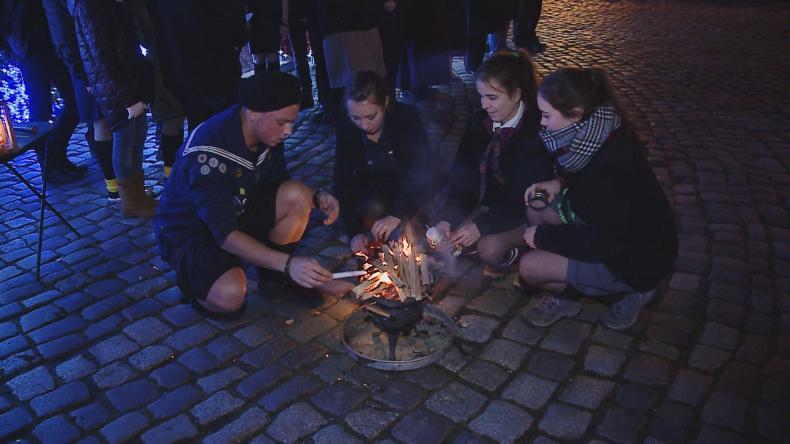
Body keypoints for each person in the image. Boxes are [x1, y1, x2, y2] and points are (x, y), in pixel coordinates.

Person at [154, 71, 350, 315]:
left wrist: (317, 196)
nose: (288, 131)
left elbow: (278, 182)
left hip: (237, 207)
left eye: (291, 121)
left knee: (298, 195)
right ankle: (195, 285)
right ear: (253, 113)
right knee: (230, 296)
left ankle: (273, 277)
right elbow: (223, 233)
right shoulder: (209, 155)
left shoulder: (265, 132)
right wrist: (290, 264)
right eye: (282, 122)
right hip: (193, 231)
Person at [520, 67, 677, 329]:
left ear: (576, 114)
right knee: (536, 209)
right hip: (610, 231)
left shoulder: (611, 167)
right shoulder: (596, 130)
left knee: (530, 268)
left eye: (547, 115)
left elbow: (605, 240)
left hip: (635, 257)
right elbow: (589, 188)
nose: (542, 123)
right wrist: (557, 182)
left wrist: (543, 238)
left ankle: (630, 293)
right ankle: (569, 293)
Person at [435, 49, 554, 275]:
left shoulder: (533, 131)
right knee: (443, 240)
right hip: (490, 206)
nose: (484, 105)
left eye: (492, 97)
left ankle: (527, 252)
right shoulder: (479, 123)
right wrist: (447, 219)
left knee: (488, 249)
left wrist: (482, 226)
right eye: (481, 96)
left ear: (516, 94)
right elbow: (463, 178)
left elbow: (520, 198)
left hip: (526, 212)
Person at [333, 70, 439, 252]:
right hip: (375, 192)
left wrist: (398, 214)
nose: (364, 125)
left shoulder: (406, 119)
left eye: (371, 117)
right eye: (355, 118)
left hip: (410, 187)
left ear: (385, 103)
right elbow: (342, 183)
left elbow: (423, 172)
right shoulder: (346, 130)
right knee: (374, 213)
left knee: (420, 230)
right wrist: (355, 233)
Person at [72, 0, 156, 218]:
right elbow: (102, 57)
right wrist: (127, 98)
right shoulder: (91, 7)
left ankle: (138, 196)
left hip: (126, 82)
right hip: (117, 88)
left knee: (136, 137)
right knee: (126, 139)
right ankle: (131, 201)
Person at [1, 0, 87, 183]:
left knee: (75, 100)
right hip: (28, 43)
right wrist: (9, 45)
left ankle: (56, 155)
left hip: (53, 38)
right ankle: (49, 167)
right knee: (41, 108)